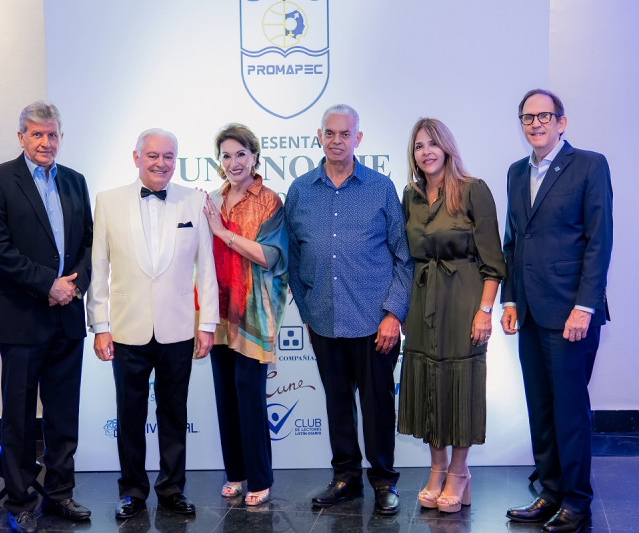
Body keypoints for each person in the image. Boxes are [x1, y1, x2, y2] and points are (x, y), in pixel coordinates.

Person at [285, 104, 413, 516]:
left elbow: (403, 257)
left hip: (375, 323)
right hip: (324, 320)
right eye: (330, 133)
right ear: (318, 136)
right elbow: (294, 260)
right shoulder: (300, 191)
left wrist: (393, 314)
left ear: (358, 138)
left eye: (345, 134)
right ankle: (345, 478)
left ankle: (383, 481)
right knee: (337, 404)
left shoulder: (381, 188)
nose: (337, 140)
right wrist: (308, 314)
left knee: (378, 408)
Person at [86, 128, 219, 519]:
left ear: (176, 159)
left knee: (174, 413)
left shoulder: (194, 201)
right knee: (129, 414)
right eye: (152, 156)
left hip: (178, 328)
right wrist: (100, 325)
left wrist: (207, 323)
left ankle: (172, 488)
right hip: (127, 329)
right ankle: (132, 491)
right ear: (136, 158)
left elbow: (206, 268)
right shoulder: (108, 201)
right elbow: (98, 268)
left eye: (168, 156)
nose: (161, 163)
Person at [0, 101, 93, 533]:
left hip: (67, 316)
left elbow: (89, 244)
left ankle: (59, 494)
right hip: (21, 317)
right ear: (21, 136)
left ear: (61, 136)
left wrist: (74, 286)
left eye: (52, 134)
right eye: (37, 134)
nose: (46, 142)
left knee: (63, 415)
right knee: (20, 416)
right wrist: (49, 284)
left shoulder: (75, 181)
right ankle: (20, 500)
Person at [502, 89, 612, 533]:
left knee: (569, 413)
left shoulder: (589, 165)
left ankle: (577, 502)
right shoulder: (516, 172)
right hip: (530, 311)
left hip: (571, 313)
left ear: (561, 122)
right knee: (541, 411)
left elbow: (599, 241)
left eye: (544, 116)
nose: (535, 124)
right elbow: (513, 241)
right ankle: (549, 493)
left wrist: (584, 307)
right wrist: (510, 299)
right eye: (527, 117)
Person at [397, 118, 505, 513]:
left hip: (463, 299)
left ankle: (459, 473)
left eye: (432, 144)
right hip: (422, 299)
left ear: (446, 148)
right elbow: (405, 256)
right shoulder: (410, 196)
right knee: (429, 381)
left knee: (461, 383)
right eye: (419, 146)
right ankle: (437, 468)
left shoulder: (474, 189)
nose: (426, 151)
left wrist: (484, 311)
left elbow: (493, 262)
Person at [201, 123, 290, 507]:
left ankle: (260, 478)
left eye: (241, 154)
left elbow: (271, 256)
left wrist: (223, 233)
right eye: (226, 155)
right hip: (219, 308)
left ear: (254, 157)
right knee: (224, 392)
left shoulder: (269, 201)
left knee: (248, 391)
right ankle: (235, 473)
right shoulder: (213, 199)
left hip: (254, 308)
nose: (233, 162)